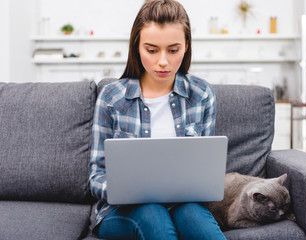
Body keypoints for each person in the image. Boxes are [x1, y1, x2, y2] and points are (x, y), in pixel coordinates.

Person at [89, 0, 226, 239]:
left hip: (185, 205)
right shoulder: (112, 98)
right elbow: (96, 176)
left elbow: (204, 172)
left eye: (173, 50)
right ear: (137, 48)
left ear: (186, 46)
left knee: (198, 222)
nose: (163, 61)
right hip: (121, 210)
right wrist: (126, 191)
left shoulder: (202, 94)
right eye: (151, 50)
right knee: (154, 217)